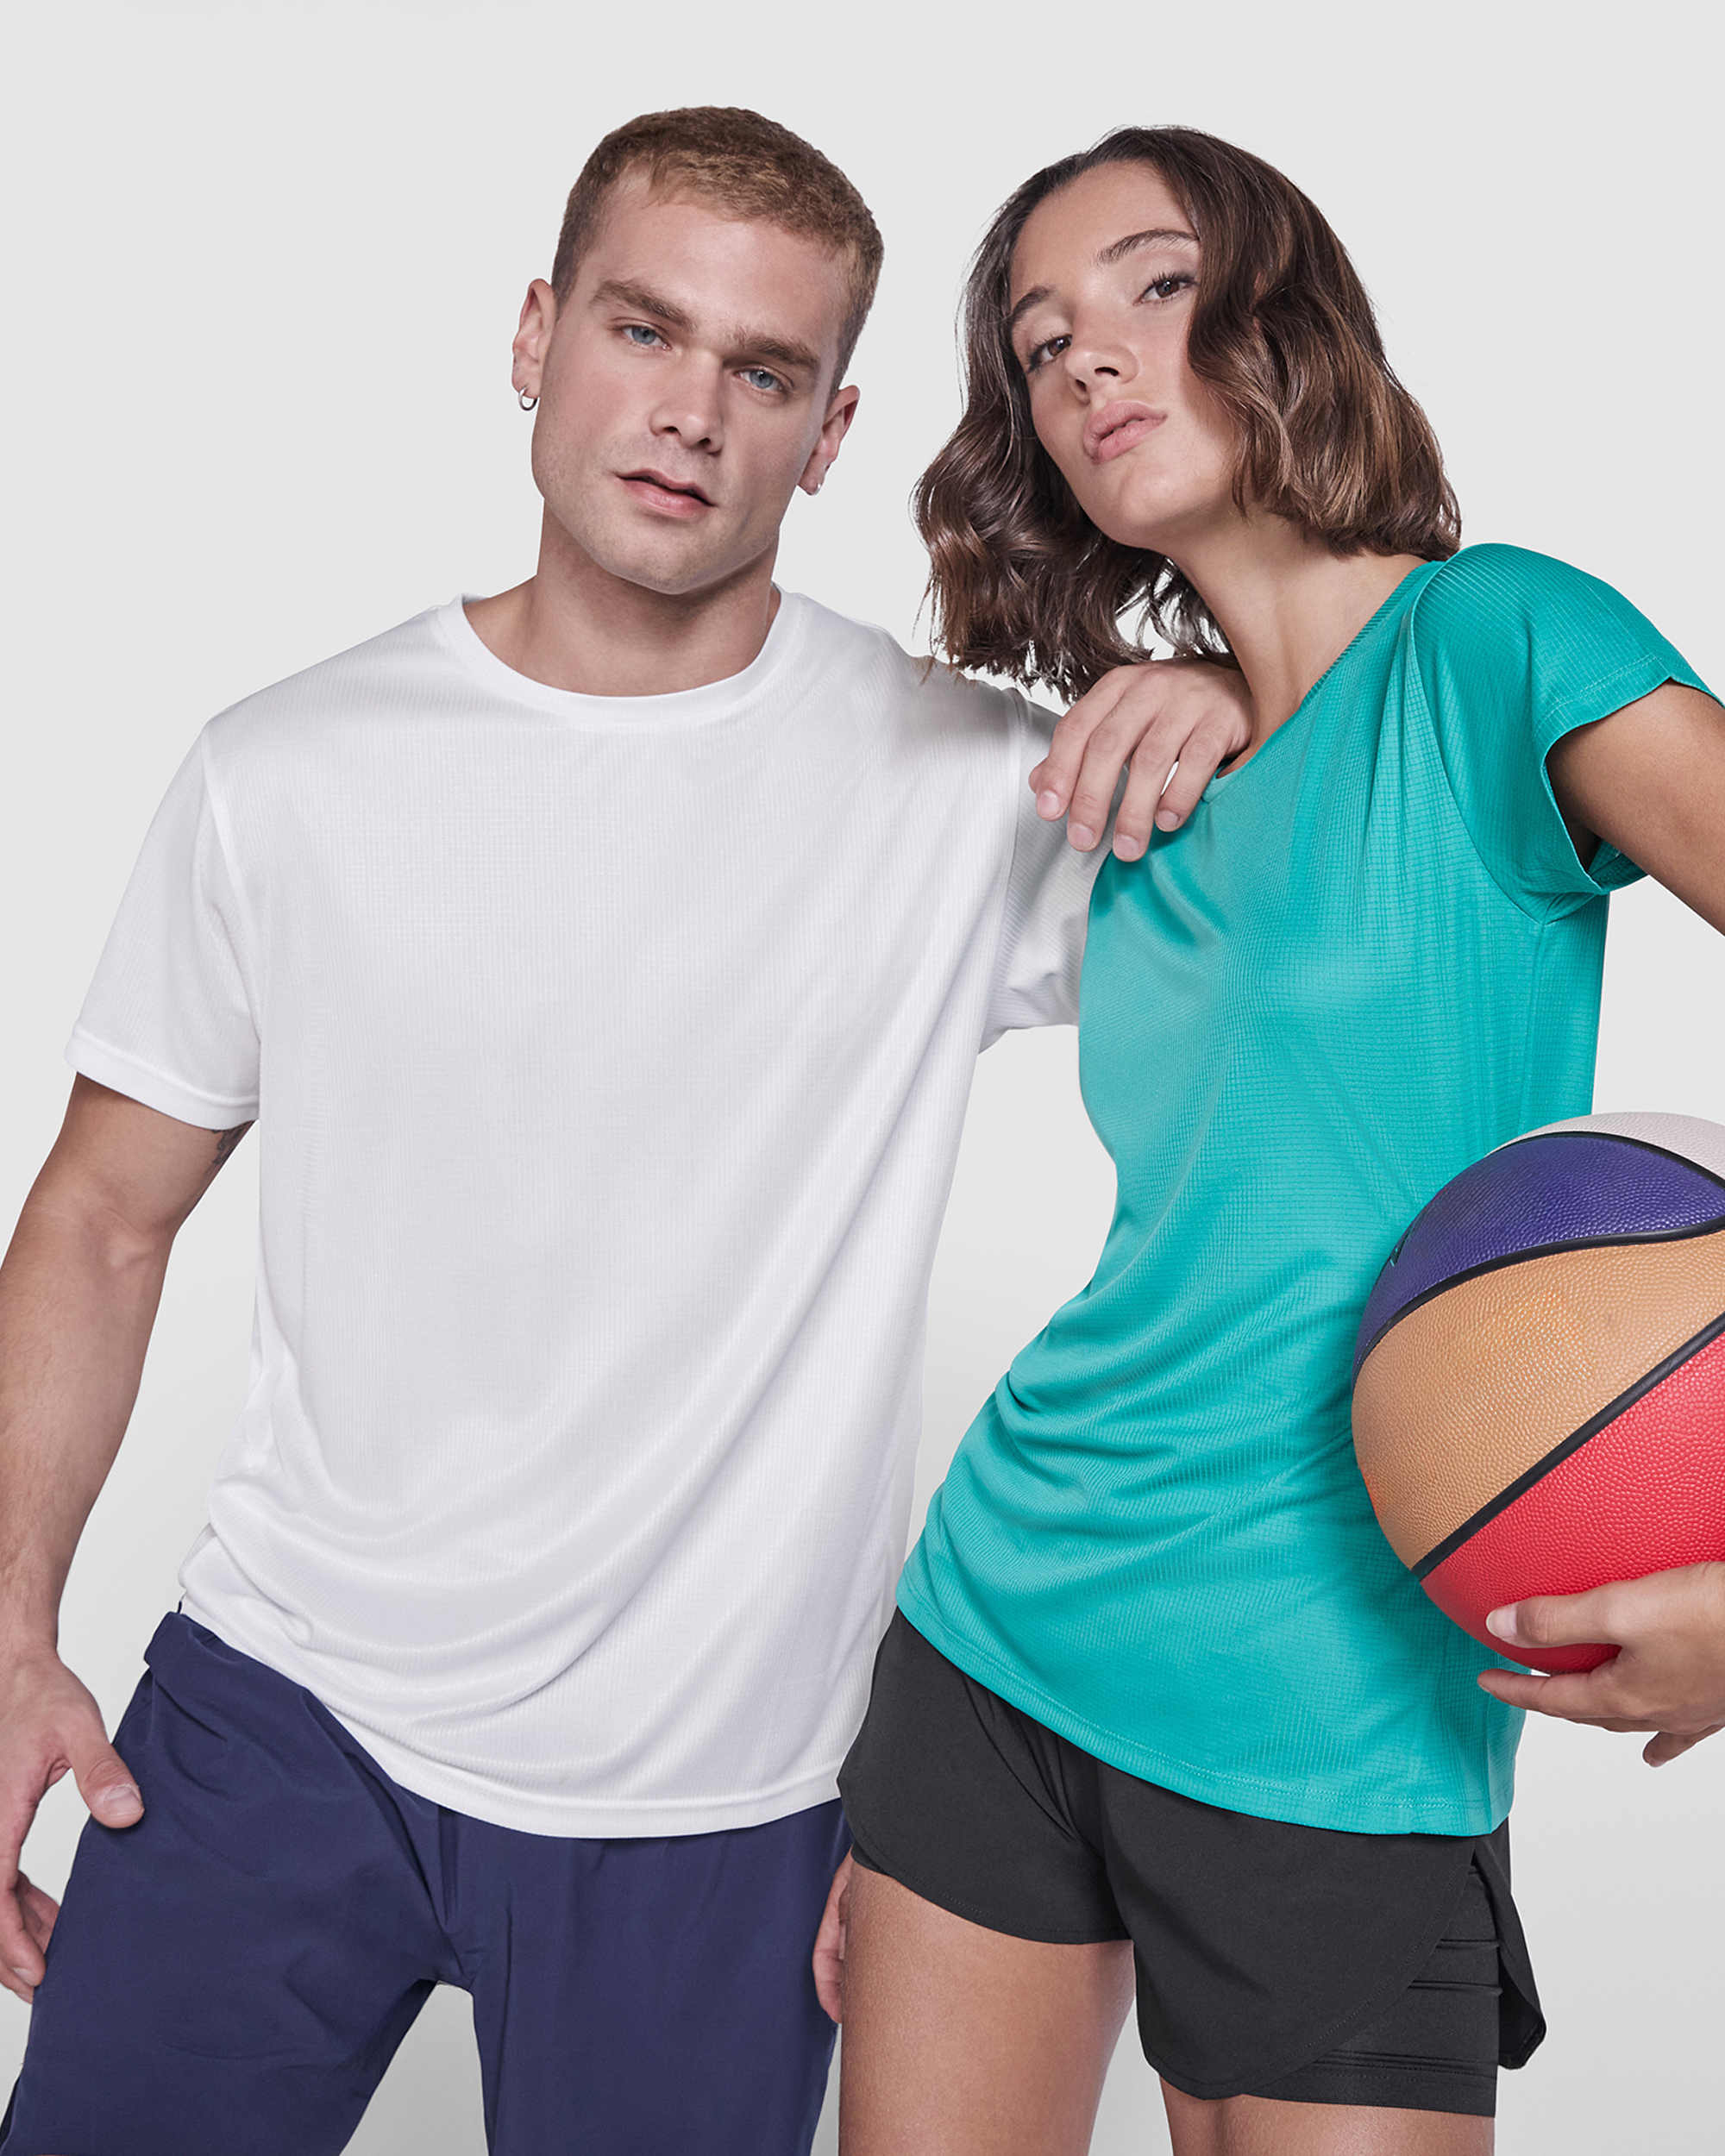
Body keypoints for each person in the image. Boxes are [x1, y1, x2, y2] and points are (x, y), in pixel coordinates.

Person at [0, 109, 1252, 2156]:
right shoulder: (284, 770)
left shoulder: (966, 789)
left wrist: (1229, 693)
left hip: (721, 1794)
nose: (689, 412)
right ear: (534, 334)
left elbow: (1357, 859)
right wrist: (6, 1622)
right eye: (642, 329)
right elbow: (99, 1219)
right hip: (283, 1710)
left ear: (830, 432)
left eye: (764, 370)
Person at [823, 126, 1725, 2154]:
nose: (1086, 358)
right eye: (1039, 341)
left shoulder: (1503, 642)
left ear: (1280, 314)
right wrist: (1208, 680)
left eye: (1151, 286)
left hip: (1339, 1709)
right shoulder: (1143, 781)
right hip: (1001, 1629)